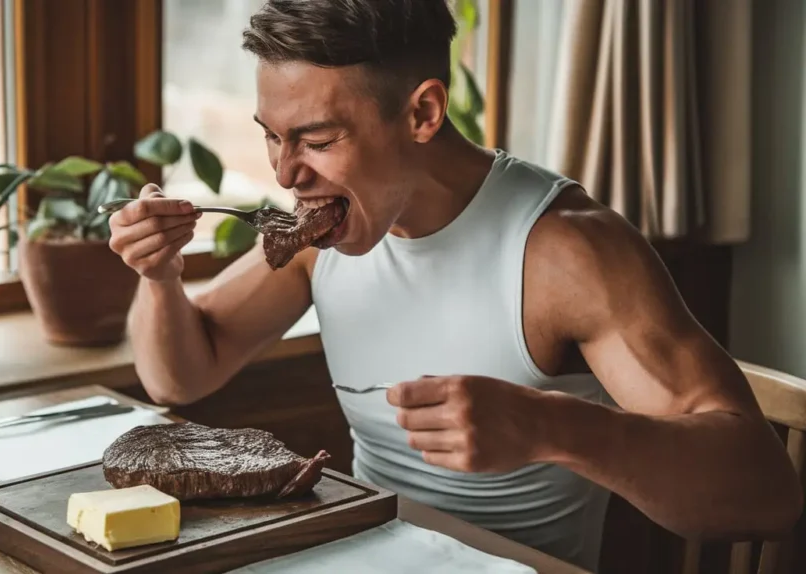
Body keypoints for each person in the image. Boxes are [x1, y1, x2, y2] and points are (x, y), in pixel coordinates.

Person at [108, 0, 801, 570]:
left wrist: (550, 424)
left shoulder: (566, 251)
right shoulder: (329, 234)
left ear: (422, 114)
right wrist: (159, 277)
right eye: (273, 137)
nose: (286, 175)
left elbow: (766, 493)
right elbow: (182, 374)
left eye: (316, 140)